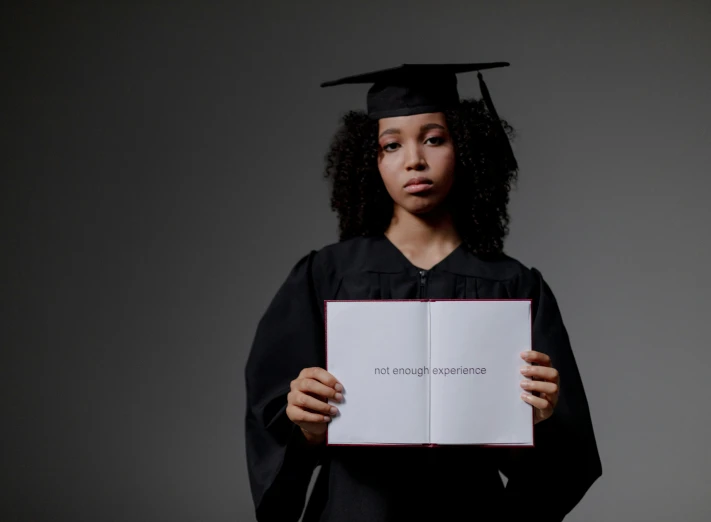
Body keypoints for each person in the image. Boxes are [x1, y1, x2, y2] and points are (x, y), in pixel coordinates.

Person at [244, 62, 602, 521]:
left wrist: (537, 424)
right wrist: (307, 425)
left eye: (434, 139)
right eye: (391, 145)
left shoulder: (512, 284)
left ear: (465, 147)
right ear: (370, 161)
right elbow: (274, 423)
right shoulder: (326, 275)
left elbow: (562, 463)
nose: (413, 159)